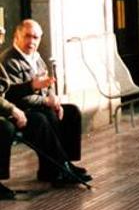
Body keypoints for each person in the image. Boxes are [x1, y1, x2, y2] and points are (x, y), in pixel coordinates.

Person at [0, 20, 90, 184]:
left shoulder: (36, 58)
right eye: (27, 36)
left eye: (36, 38)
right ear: (16, 36)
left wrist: (53, 98)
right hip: (20, 109)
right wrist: (44, 100)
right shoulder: (9, 60)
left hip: (36, 106)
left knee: (71, 112)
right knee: (43, 117)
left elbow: (46, 83)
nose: (32, 42)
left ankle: (65, 163)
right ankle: (59, 167)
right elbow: (12, 95)